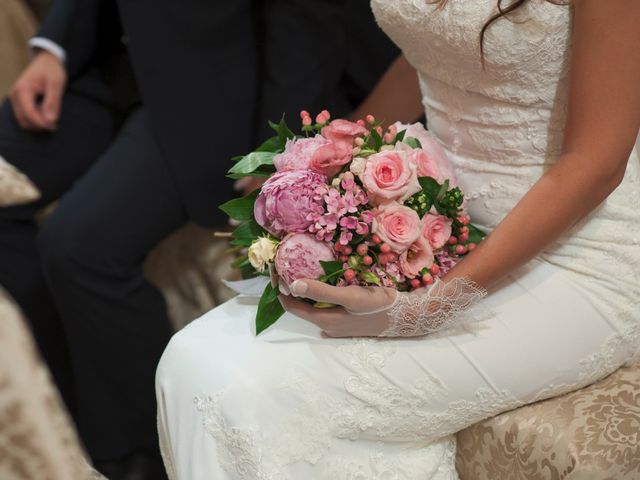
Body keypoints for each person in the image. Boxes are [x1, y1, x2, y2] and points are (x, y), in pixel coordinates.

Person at [156, 1, 640, 478]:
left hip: (580, 254)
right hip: (439, 220)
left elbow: (595, 164)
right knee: (189, 361)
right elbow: (435, 46)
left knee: (236, 390)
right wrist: (334, 162)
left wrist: (430, 306)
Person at [0, 0, 258, 478]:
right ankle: (56, 410)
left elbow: (302, 23)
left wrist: (276, 148)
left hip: (209, 88)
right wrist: (53, 48)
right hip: (108, 61)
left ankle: (141, 452)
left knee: (78, 245)